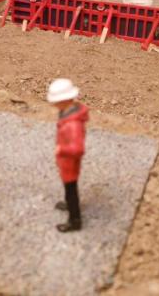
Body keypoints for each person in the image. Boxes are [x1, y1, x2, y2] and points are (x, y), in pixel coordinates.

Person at [47, 78, 89, 232]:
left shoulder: (73, 124)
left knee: (71, 190)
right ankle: (68, 204)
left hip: (69, 162)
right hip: (65, 162)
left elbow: (78, 149)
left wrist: (61, 150)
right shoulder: (67, 114)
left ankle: (74, 220)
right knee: (69, 187)